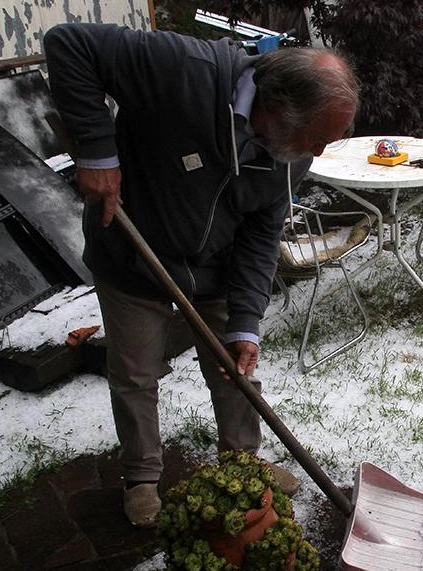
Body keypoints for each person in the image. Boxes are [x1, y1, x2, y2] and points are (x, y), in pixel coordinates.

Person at [43, 23, 358, 527]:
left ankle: (244, 462)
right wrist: (98, 154)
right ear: (278, 106)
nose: (318, 153)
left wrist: (246, 325)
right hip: (134, 251)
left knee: (235, 368)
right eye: (317, 138)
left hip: (214, 265)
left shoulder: (289, 156)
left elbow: (260, 240)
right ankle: (142, 477)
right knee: (137, 373)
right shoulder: (186, 71)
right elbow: (69, 44)